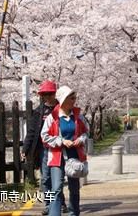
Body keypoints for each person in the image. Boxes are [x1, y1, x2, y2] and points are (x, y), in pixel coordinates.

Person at [21, 80, 68, 215]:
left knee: (58, 179)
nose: (47, 97)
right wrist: (25, 149)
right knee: (45, 178)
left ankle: (60, 202)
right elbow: (31, 132)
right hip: (43, 149)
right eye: (44, 95)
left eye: (50, 94)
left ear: (55, 94)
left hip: (59, 149)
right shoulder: (38, 112)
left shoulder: (62, 108)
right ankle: (49, 204)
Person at [41, 86, 89, 216]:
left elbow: (86, 133)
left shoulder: (78, 116)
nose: (74, 100)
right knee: (56, 188)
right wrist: (61, 141)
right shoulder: (53, 117)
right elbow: (44, 136)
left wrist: (81, 139)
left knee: (74, 189)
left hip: (74, 156)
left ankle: (74, 213)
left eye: (74, 97)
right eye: (71, 98)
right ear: (63, 99)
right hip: (57, 157)